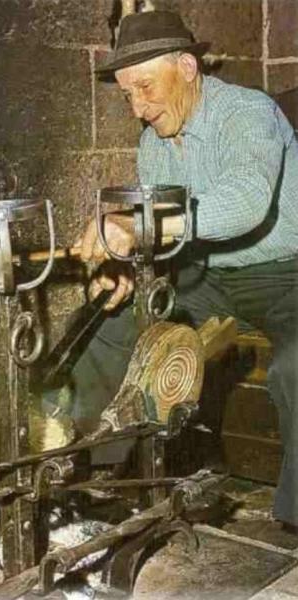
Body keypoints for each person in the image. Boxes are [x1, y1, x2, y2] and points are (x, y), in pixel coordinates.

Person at [67, 11, 298, 531]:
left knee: (296, 367)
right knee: (109, 329)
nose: (139, 108)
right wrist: (128, 267)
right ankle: (96, 478)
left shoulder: (246, 112)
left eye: (145, 87)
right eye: (127, 95)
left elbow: (246, 203)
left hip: (288, 274)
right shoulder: (154, 143)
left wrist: (140, 229)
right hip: (208, 276)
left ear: (188, 67)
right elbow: (168, 241)